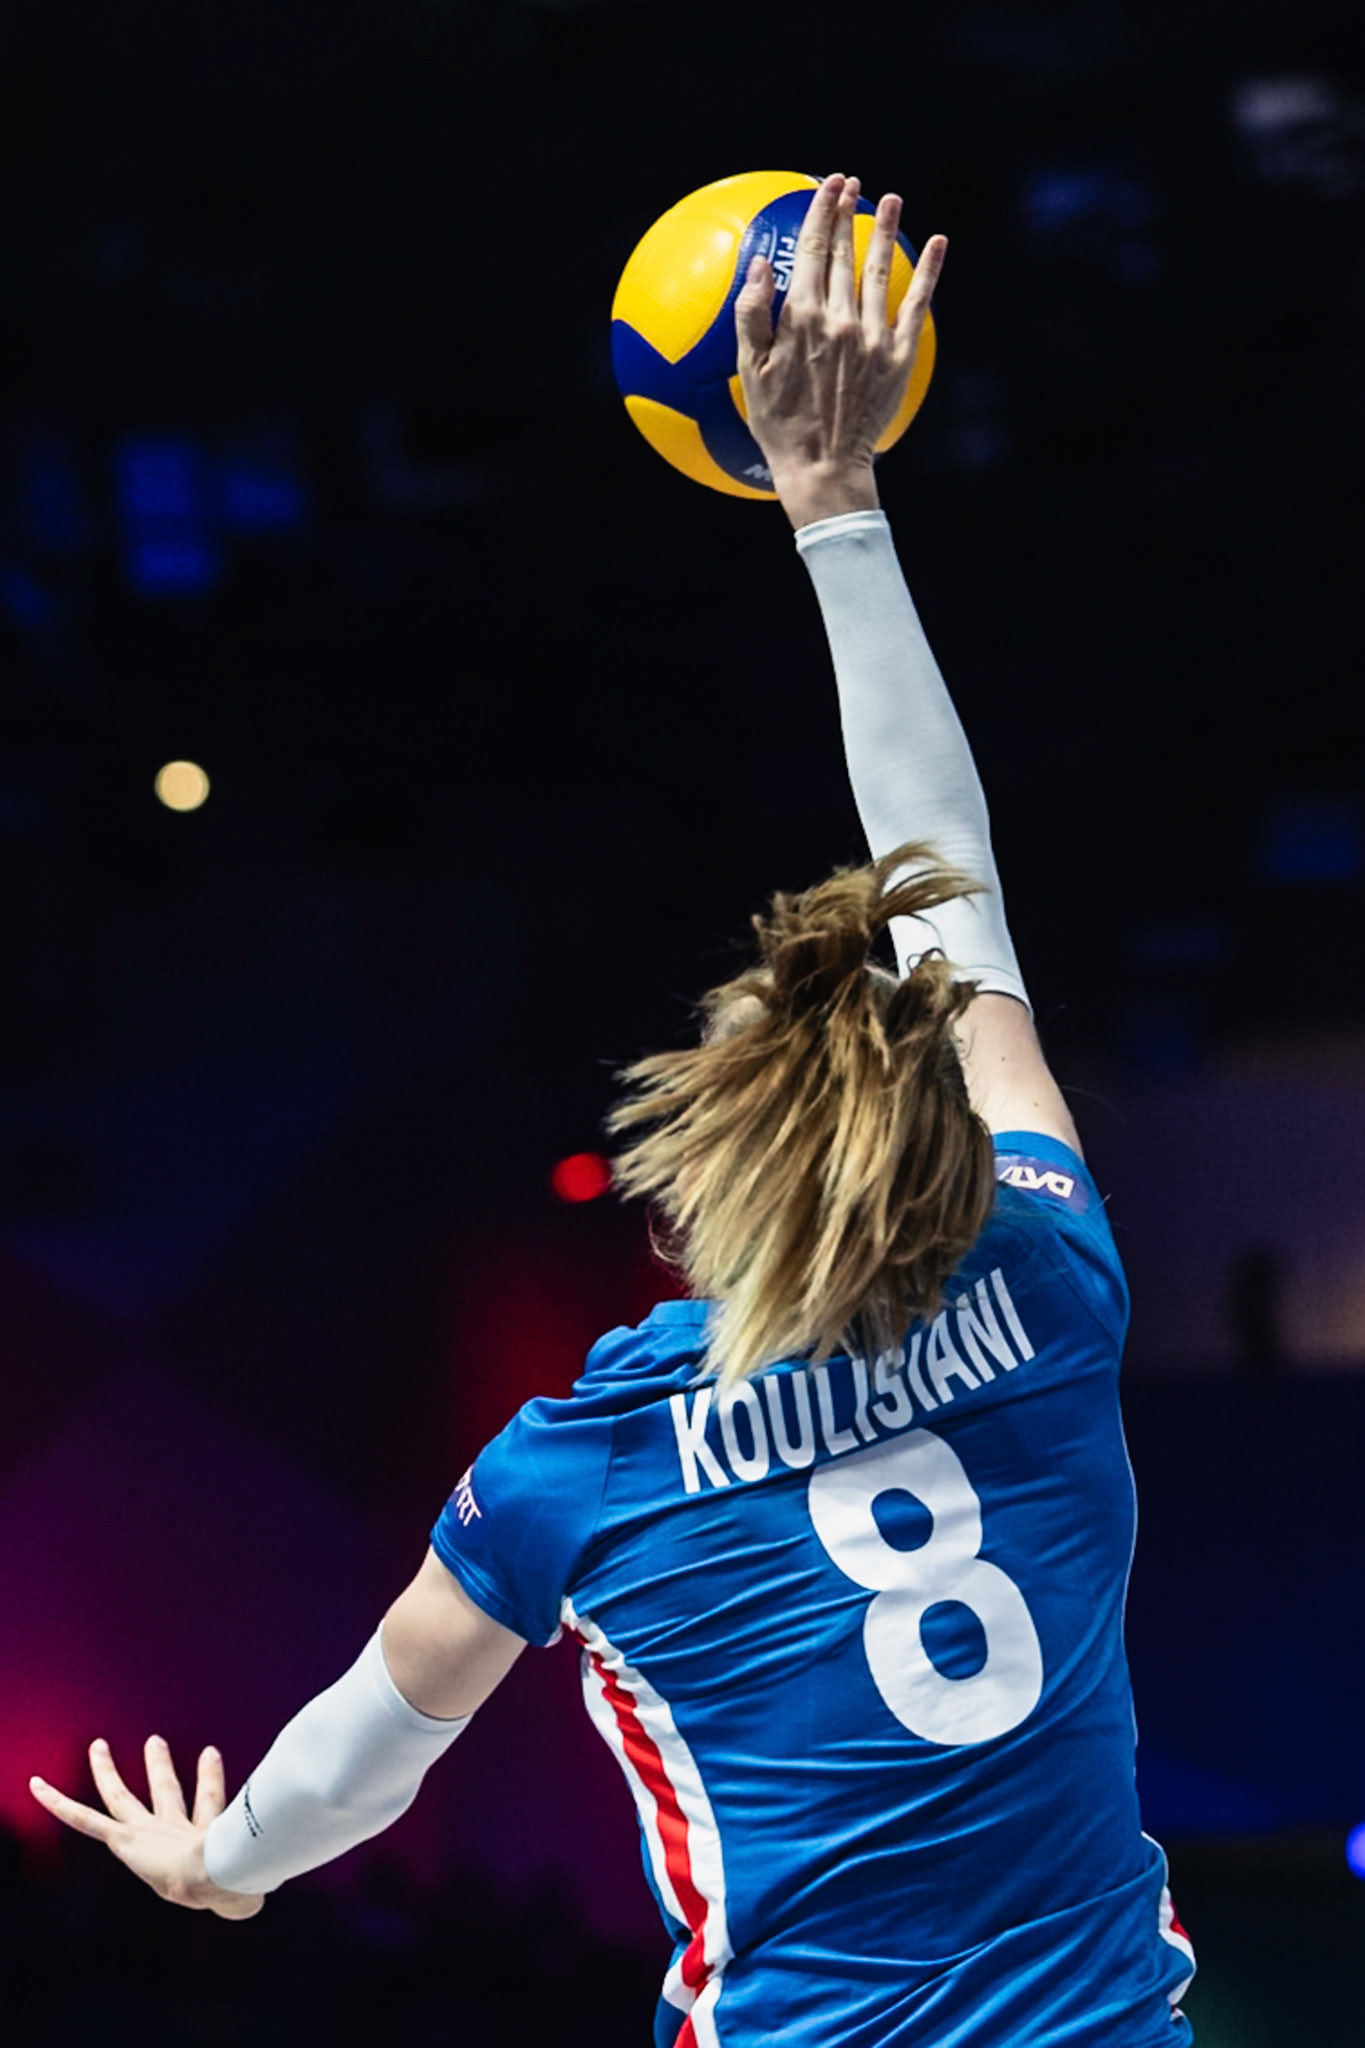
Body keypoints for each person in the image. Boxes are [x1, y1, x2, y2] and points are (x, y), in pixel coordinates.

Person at [30, 174, 1196, 2046]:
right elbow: (950, 882)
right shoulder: (1045, 1281)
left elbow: (365, 1758)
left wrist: (223, 1861)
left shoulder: (584, 1463)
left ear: (689, 1185)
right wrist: (836, 499)